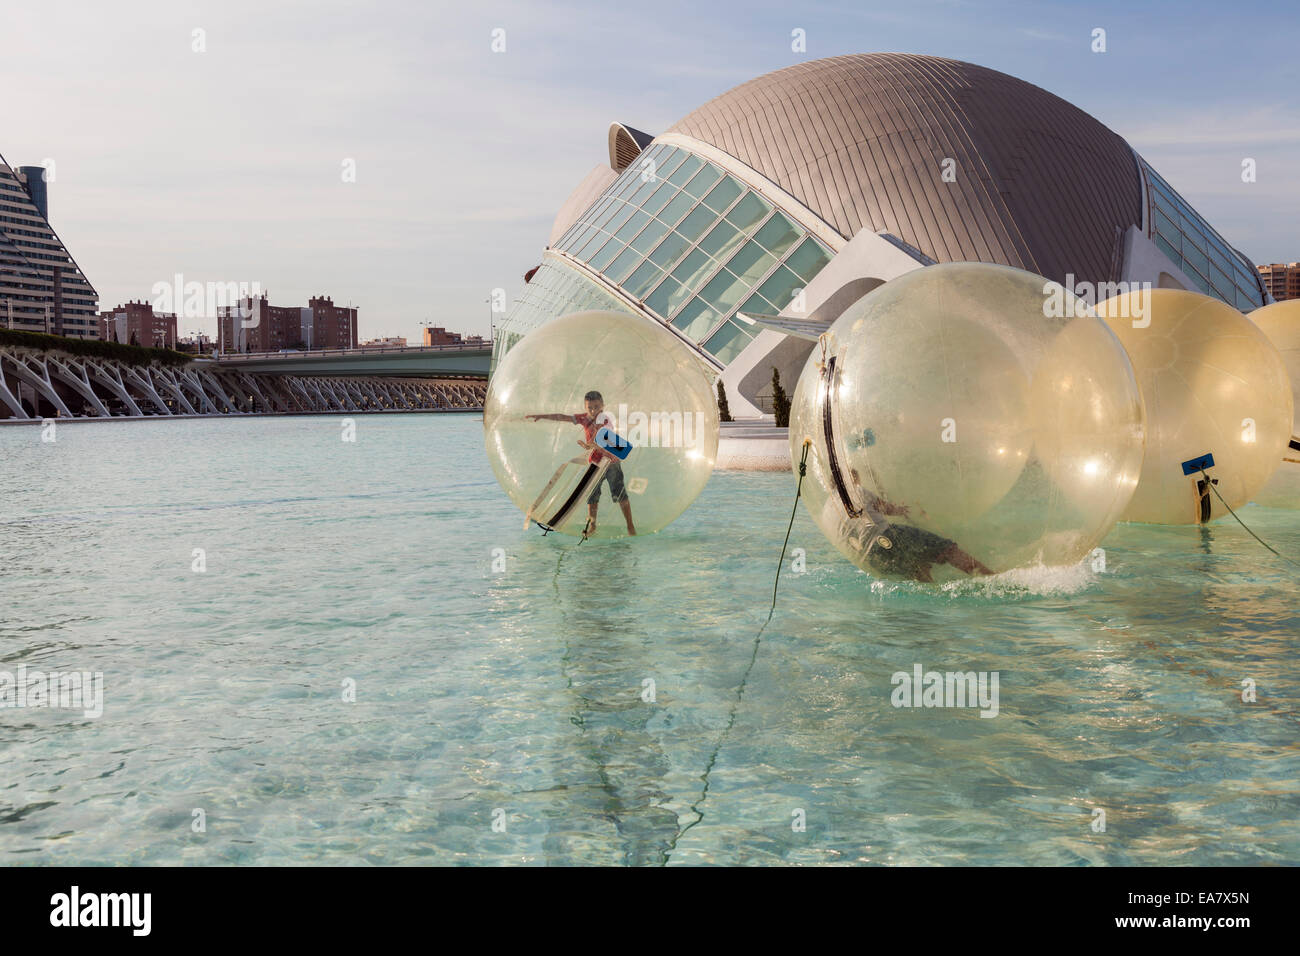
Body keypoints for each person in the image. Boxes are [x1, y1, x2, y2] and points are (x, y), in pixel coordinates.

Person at [844, 468, 993, 582]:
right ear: (854, 478)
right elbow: (887, 509)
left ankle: (933, 600)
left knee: (918, 568)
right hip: (887, 536)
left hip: (871, 557)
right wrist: (901, 510)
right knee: (947, 550)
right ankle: (990, 578)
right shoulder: (856, 490)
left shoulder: (827, 510)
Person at [526, 390, 635, 538]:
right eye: (589, 407)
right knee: (592, 497)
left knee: (620, 495)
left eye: (596, 407)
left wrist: (591, 446)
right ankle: (592, 526)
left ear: (602, 405)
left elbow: (609, 441)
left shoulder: (606, 419)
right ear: (585, 407)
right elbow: (562, 417)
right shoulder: (584, 418)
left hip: (611, 462)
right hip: (595, 463)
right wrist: (542, 416)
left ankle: (630, 526)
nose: (593, 410)